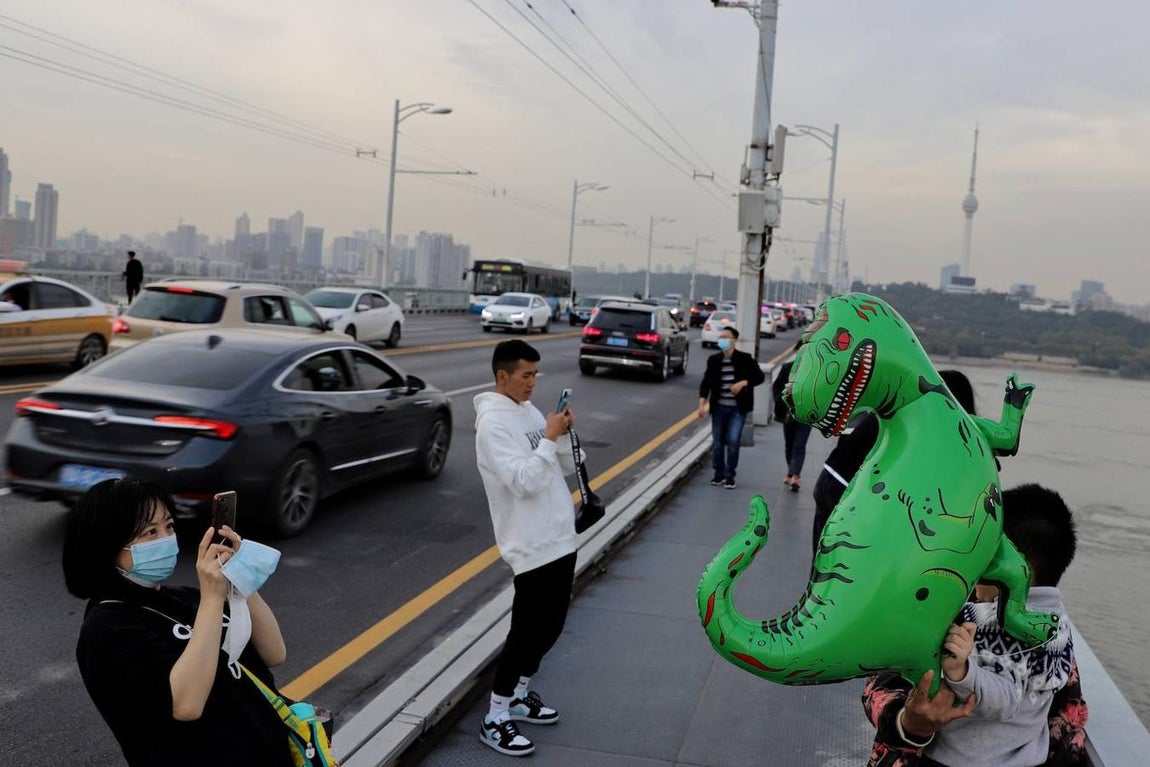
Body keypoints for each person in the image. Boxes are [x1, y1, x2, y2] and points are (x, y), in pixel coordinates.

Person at [62, 478, 293, 766]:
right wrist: (211, 597)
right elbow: (186, 703)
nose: (166, 539)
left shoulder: (186, 598)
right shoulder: (107, 630)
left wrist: (240, 579)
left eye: (169, 526)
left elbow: (274, 652)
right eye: (150, 531)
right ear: (108, 547)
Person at [863, 483, 1088, 767]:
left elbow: (1009, 697)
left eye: (981, 550)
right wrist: (908, 722)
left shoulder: (1014, 625)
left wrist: (963, 672)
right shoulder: (1055, 625)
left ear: (1011, 566)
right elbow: (884, 679)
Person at [474, 339, 580, 757]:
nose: (532, 383)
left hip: (560, 536)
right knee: (526, 632)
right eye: (525, 375)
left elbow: (562, 465)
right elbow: (522, 481)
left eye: (536, 375)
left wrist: (563, 435)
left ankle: (518, 695)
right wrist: (549, 439)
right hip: (530, 543)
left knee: (551, 627)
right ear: (503, 376)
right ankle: (495, 715)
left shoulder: (533, 412)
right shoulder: (493, 424)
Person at [811, 369, 976, 553]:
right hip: (843, 490)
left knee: (823, 565)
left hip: (830, 476)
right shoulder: (923, 421)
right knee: (846, 563)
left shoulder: (906, 409)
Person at [697, 326, 766, 490]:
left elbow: (759, 377)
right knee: (718, 442)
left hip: (737, 409)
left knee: (733, 441)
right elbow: (706, 383)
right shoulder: (714, 360)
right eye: (721, 336)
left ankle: (730, 476)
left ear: (734, 340)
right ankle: (718, 473)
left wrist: (743, 383)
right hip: (719, 408)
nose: (722, 339)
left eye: (726, 336)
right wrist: (701, 405)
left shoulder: (745, 359)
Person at [771, 345, 812, 492]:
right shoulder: (787, 368)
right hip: (788, 415)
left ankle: (796, 476)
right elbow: (776, 387)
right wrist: (780, 401)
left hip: (805, 415)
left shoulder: (814, 371)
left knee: (799, 446)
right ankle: (791, 471)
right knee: (789, 445)